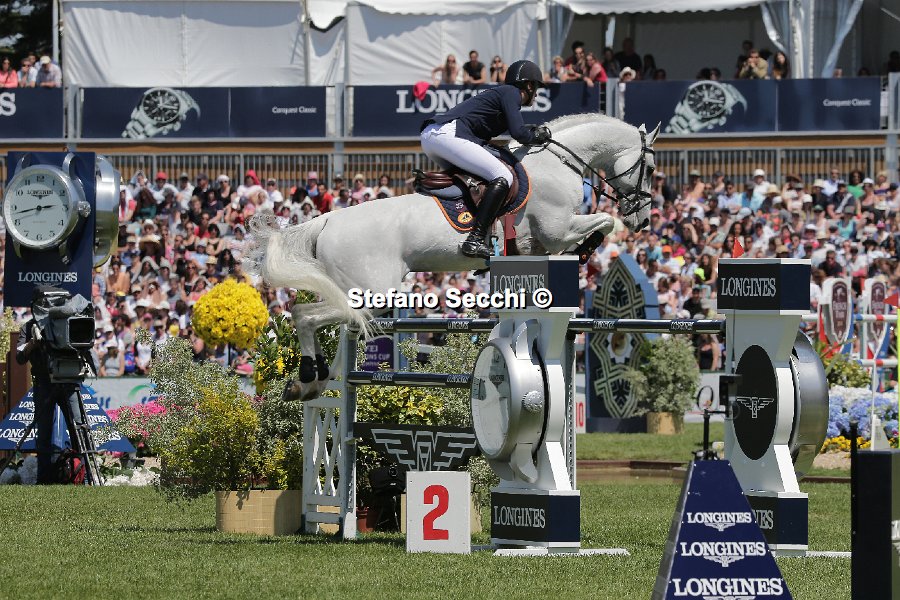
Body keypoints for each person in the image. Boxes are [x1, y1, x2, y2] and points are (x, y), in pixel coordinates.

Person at [419, 60, 551, 259]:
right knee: (503, 176)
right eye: (537, 88)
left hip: (434, 137)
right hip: (447, 134)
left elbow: (517, 130)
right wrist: (537, 137)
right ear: (529, 85)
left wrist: (530, 132)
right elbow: (519, 133)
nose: (537, 94)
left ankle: (472, 227)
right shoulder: (511, 93)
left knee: (477, 180)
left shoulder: (504, 95)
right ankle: (475, 240)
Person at [16, 287, 96, 484]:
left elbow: (85, 345)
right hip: (44, 383)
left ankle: (84, 477)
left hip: (68, 381)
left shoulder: (70, 322)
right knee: (44, 433)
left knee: (79, 428)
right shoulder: (29, 327)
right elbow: (19, 358)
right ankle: (44, 479)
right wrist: (33, 343)